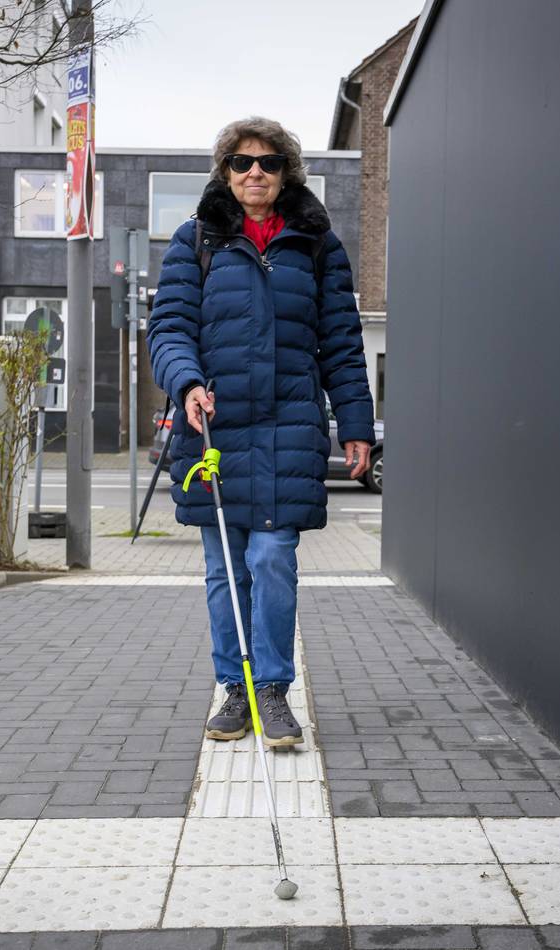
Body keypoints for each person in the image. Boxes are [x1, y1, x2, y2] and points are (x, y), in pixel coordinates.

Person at [146, 117, 376, 747]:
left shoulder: (317, 245)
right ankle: (234, 691)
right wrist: (188, 382)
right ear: (225, 171)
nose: (256, 173)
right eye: (243, 163)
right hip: (214, 430)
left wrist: (355, 422)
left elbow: (342, 343)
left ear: (285, 174)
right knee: (226, 571)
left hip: (289, 427)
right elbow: (167, 329)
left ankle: (271, 689)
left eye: (269, 163)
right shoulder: (195, 241)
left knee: (272, 560)